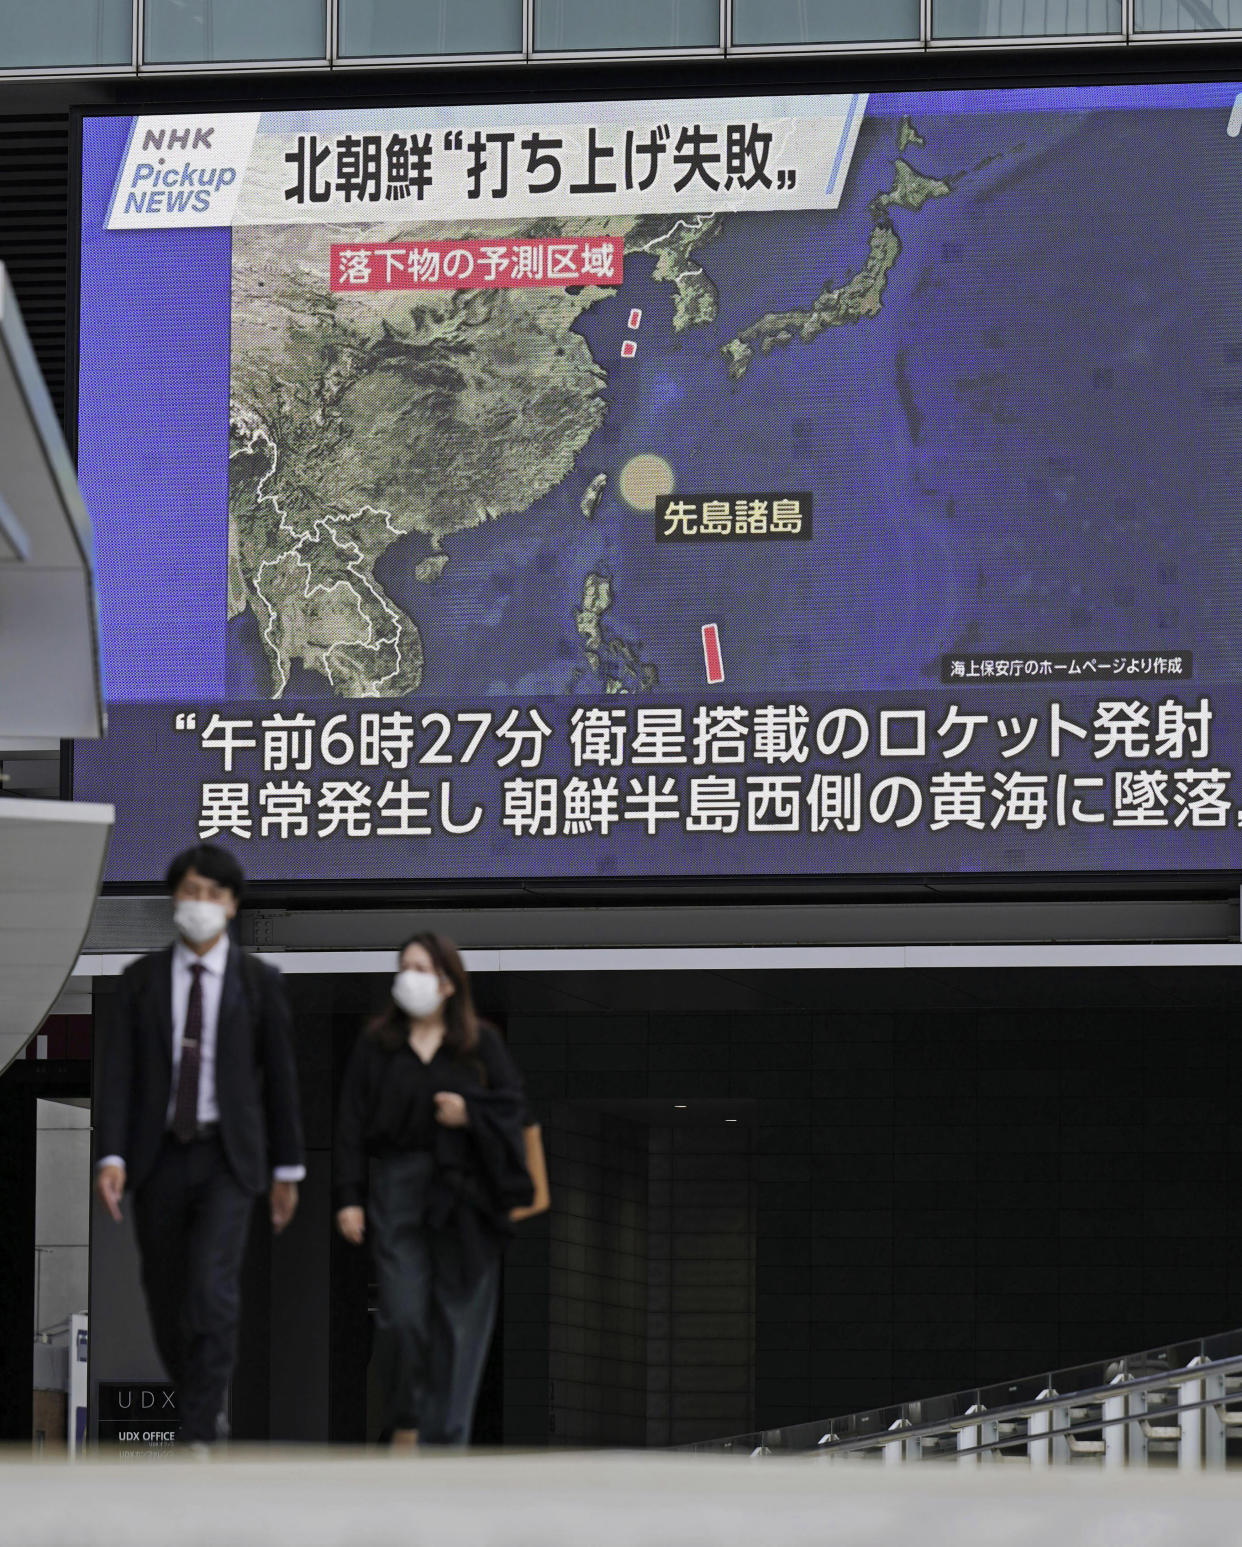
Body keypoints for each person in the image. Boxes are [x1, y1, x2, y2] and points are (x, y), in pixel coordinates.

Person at [93, 843, 306, 1448]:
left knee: (212, 1287)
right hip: (157, 1154)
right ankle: (197, 1400)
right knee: (164, 1290)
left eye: (213, 894)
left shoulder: (259, 984)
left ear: (233, 905)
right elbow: (118, 1080)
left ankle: (198, 1426)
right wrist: (111, 1156)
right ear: (173, 900)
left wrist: (287, 1169)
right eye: (190, 892)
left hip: (227, 1159)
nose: (201, 904)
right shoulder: (141, 981)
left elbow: (281, 1084)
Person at [334, 932, 534, 1449]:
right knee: (401, 1314)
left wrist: (470, 1113)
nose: (410, 977)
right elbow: (351, 1125)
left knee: (459, 1323)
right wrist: (350, 1197)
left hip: (465, 1194)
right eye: (404, 967)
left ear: (447, 982)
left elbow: (514, 1109)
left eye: (421, 968)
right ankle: (407, 1415)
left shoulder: (479, 1043)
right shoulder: (378, 1045)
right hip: (399, 1187)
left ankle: (448, 1438)